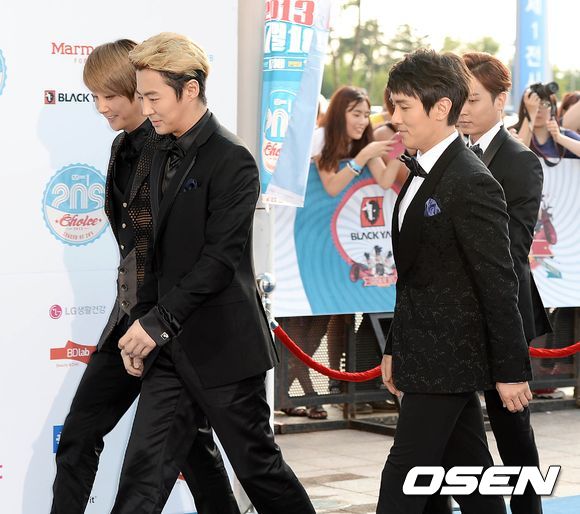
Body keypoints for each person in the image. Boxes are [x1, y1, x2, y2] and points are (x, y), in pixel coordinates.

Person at [110, 33, 315, 514]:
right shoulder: (155, 152)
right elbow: (150, 253)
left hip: (224, 348)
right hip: (168, 351)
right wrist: (142, 323)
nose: (146, 109)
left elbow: (219, 262)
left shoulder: (232, 158)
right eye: (141, 97)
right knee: (142, 477)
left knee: (259, 470)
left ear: (190, 89)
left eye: (154, 97)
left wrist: (157, 323)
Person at [50, 39, 239, 514]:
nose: (101, 107)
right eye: (94, 96)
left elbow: (196, 253)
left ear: (138, 90)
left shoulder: (178, 152)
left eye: (110, 95)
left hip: (172, 325)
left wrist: (158, 322)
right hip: (128, 320)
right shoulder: (121, 147)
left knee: (198, 454)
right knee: (79, 437)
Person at [377, 49, 533, 514]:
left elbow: (498, 280)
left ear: (441, 107)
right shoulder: (421, 169)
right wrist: (394, 347)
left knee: (402, 479)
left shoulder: (470, 179)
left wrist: (511, 370)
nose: (394, 118)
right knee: (472, 479)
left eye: (404, 106)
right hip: (427, 355)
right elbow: (415, 279)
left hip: (448, 360)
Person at [424, 51, 551, 514]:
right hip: (448, 321)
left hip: (500, 316)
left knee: (513, 434)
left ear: (501, 101)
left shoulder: (520, 162)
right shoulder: (439, 155)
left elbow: (511, 252)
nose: (463, 108)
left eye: (474, 99)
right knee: (444, 433)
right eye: (460, 98)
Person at [312, 85, 401, 413]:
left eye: (366, 114)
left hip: (353, 242)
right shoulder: (322, 139)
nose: (363, 121)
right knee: (319, 322)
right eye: (356, 114)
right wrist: (362, 158)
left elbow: (385, 180)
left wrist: (397, 148)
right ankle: (323, 387)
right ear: (340, 113)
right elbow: (331, 186)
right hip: (320, 239)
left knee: (346, 313)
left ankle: (347, 385)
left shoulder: (366, 142)